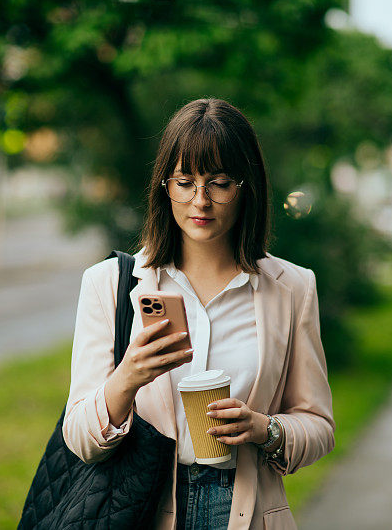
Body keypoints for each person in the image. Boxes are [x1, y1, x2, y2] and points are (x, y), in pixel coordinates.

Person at [62, 98, 335, 529]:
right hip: (144, 508)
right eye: (185, 181)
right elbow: (80, 437)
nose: (200, 201)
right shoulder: (111, 284)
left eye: (220, 183)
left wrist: (264, 429)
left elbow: (319, 425)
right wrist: (128, 376)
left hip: (248, 512)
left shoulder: (293, 288)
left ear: (247, 187)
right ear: (165, 186)